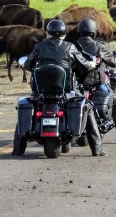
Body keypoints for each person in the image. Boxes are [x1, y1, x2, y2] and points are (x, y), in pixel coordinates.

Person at [21, 19, 104, 156]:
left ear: (49, 32)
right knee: (88, 107)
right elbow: (84, 65)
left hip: (41, 92)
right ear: (64, 33)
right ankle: (97, 149)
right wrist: (93, 64)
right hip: (65, 91)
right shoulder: (69, 47)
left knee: (26, 106)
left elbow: (28, 64)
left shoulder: (39, 47)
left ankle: (18, 149)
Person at [72, 18, 116, 144]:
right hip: (95, 84)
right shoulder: (99, 46)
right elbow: (113, 62)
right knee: (115, 102)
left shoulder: (72, 46)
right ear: (94, 32)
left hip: (77, 85)